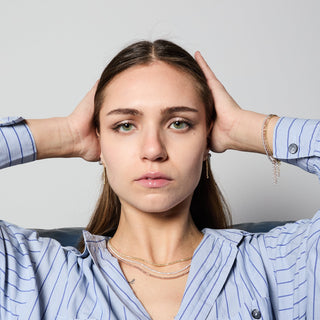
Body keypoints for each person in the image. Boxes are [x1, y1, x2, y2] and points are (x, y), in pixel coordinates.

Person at [0, 39, 319, 320]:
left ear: (206, 139)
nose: (153, 150)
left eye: (179, 123)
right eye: (125, 125)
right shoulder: (32, 274)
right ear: (99, 142)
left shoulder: (282, 265)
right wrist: (64, 134)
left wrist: (247, 129)